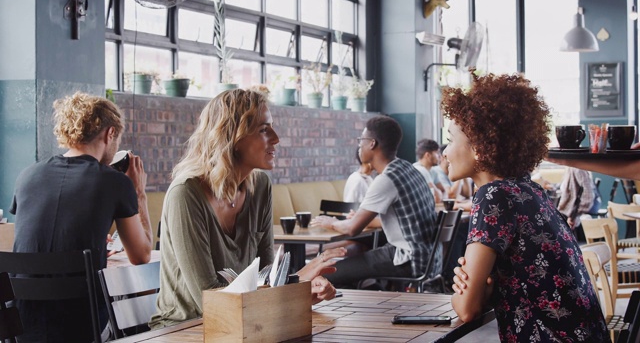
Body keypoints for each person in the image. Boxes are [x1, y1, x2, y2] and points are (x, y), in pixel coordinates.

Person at [149, 88, 343, 329]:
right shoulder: (186, 194)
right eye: (264, 129)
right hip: (185, 328)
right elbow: (208, 300)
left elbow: (265, 277)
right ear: (233, 137)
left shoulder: (260, 186)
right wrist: (299, 279)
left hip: (244, 324)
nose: (276, 138)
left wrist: (300, 290)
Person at [443, 73, 609, 341]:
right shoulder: (529, 190)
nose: (444, 152)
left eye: (450, 140)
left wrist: (460, 293)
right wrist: (482, 287)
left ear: (479, 149)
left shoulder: (493, 196)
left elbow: (466, 308)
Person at [10, 92, 153, 342]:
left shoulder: (27, 176)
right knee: (140, 326)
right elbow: (141, 256)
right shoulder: (114, 182)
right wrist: (138, 193)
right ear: (110, 134)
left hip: (21, 328)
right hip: (82, 330)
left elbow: (40, 237)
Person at [310, 116, 439, 288]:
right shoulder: (409, 169)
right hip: (430, 258)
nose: (359, 146)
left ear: (372, 143)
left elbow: (352, 229)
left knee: (328, 273)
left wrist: (332, 222)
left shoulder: (387, 179)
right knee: (347, 268)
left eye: (361, 140)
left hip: (409, 259)